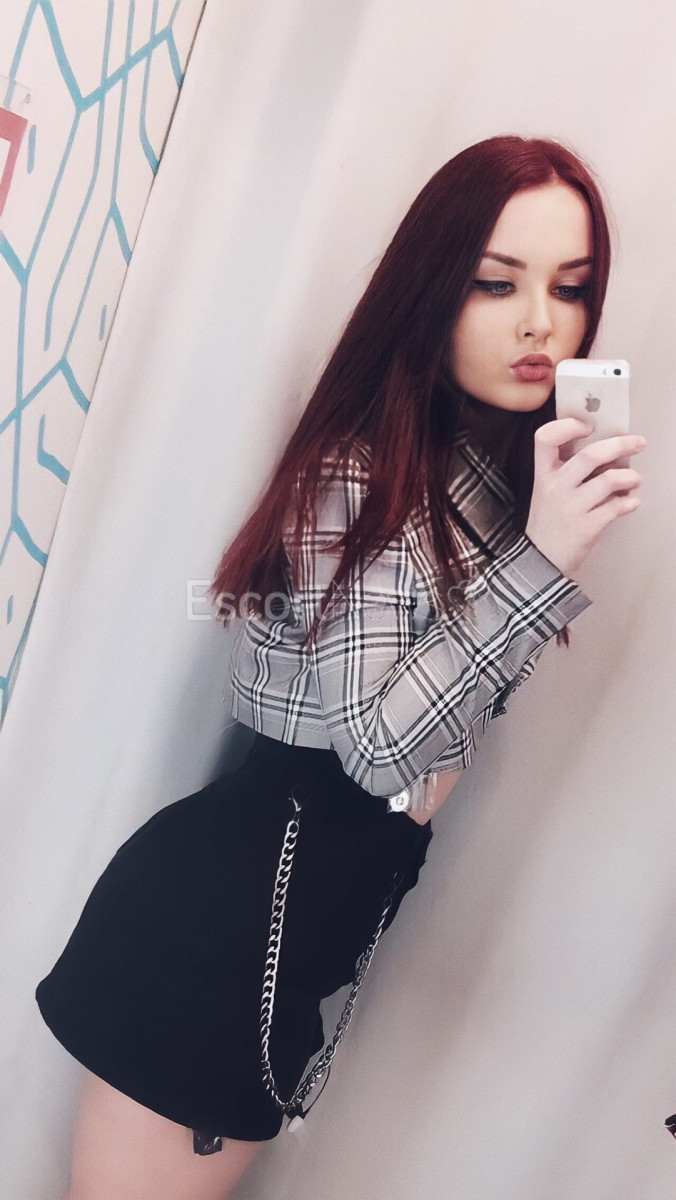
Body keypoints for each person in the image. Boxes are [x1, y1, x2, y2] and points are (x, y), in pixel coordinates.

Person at [35, 134, 646, 1200]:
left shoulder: (488, 486)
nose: (540, 323)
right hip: (222, 924)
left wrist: (538, 542)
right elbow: (373, 748)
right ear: (430, 291)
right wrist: (542, 563)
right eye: (495, 282)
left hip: (301, 930)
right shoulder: (352, 476)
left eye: (569, 287)